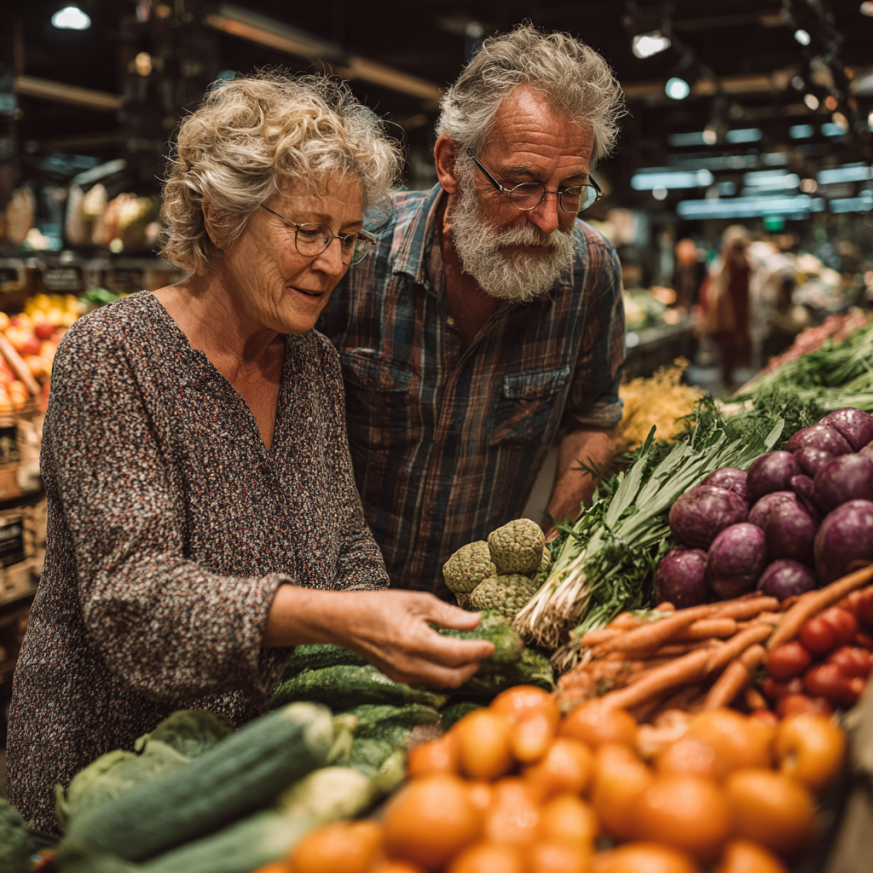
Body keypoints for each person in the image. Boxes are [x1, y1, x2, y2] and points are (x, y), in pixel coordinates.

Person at [6, 72, 493, 835]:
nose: (332, 262)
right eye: (307, 230)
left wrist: (391, 677)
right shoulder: (113, 355)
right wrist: (337, 620)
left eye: (346, 237)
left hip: (257, 782)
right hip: (112, 792)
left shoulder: (313, 368)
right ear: (221, 212)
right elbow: (133, 598)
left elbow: (343, 543)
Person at [318, 24, 627, 597]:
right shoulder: (356, 251)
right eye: (521, 184)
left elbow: (594, 416)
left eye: (572, 190)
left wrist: (554, 548)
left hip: (479, 612)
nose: (549, 219)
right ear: (450, 163)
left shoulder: (589, 271)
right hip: (337, 602)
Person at [700, 224, 753, 390]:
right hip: (726, 317)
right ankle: (726, 385)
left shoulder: (746, 265)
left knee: (735, 355)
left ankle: (730, 385)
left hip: (740, 316)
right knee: (726, 353)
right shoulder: (721, 264)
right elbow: (710, 292)